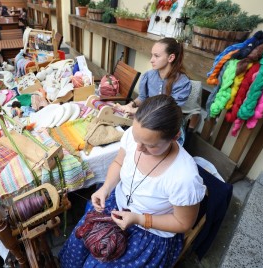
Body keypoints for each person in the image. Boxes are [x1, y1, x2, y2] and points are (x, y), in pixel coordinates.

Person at [59, 95, 206, 267]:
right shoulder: (132, 136)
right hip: (118, 205)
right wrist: (105, 188)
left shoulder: (184, 177)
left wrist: (138, 219)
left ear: (175, 136)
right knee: (80, 241)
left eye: (150, 145)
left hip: (149, 231)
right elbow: (119, 162)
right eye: (137, 139)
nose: (139, 148)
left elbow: (183, 223)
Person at [116, 38, 192, 115]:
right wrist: (129, 106)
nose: (151, 60)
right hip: (147, 116)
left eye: (156, 56)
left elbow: (168, 110)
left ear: (171, 58)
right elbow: (142, 98)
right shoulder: (148, 76)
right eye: (152, 55)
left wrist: (136, 111)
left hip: (168, 122)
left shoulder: (182, 83)